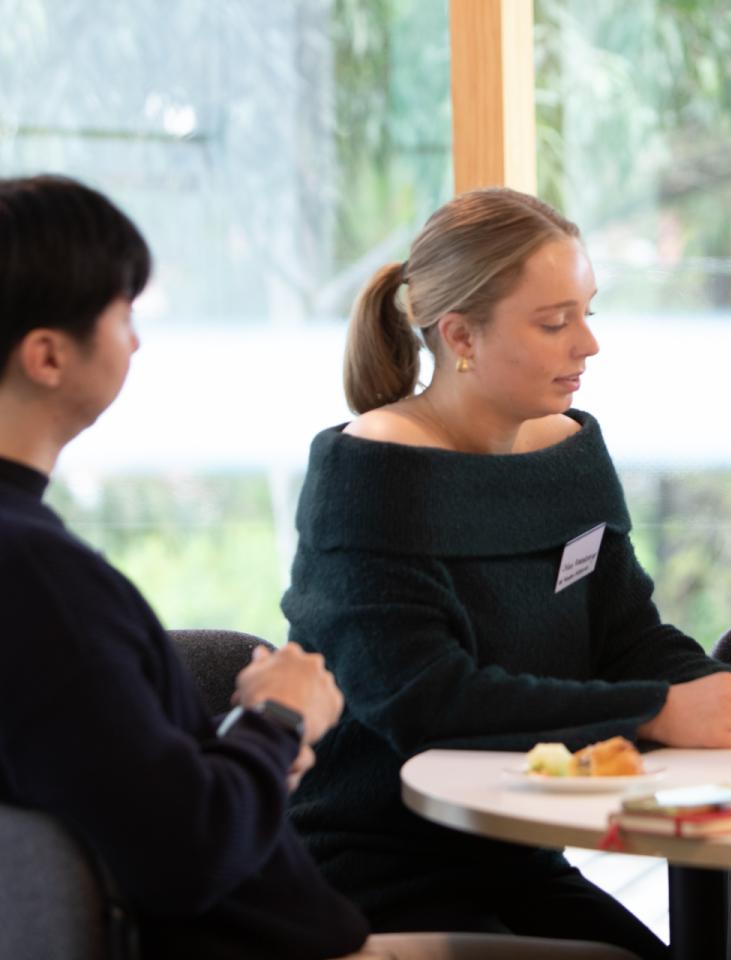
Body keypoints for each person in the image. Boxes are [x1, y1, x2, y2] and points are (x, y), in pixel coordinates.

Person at [0, 175, 646, 960]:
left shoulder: (38, 563)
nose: (136, 341)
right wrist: (277, 721)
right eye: (123, 313)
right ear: (45, 355)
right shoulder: (41, 578)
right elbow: (183, 845)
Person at [282, 187, 731, 959]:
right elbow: (427, 700)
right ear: (460, 336)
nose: (587, 346)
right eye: (553, 322)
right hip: (373, 872)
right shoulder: (367, 473)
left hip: (515, 858)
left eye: (587, 313)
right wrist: (655, 712)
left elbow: (627, 637)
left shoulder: (567, 447)